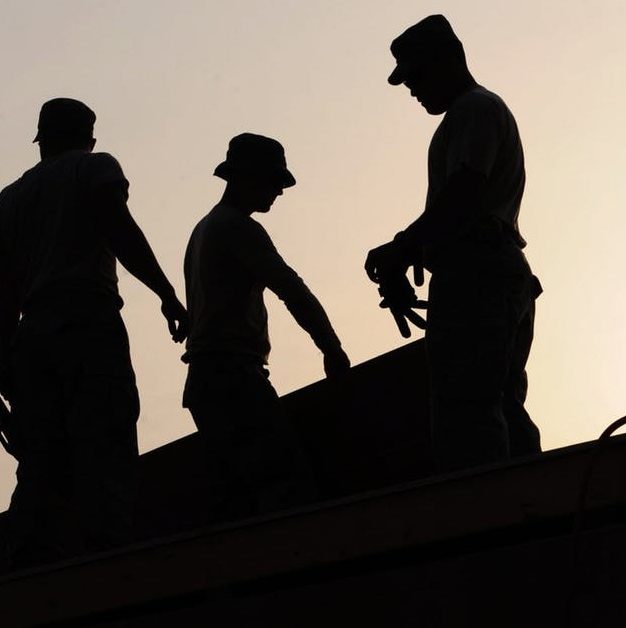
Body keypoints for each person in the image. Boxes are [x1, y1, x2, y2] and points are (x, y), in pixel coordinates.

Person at [0, 98, 188, 567]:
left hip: (31, 336)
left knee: (41, 460)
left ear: (41, 141)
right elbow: (120, 230)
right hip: (87, 322)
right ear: (89, 137)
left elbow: (2, 289)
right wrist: (166, 292)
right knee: (105, 439)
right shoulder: (94, 167)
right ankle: (112, 558)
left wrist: (5, 361)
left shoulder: (9, 200)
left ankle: (28, 567)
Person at [365, 15, 543, 471]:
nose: (412, 89)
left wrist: (403, 248)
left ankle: (490, 520)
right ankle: (532, 509)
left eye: (417, 76)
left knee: (468, 415)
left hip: (480, 277)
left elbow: (464, 192)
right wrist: (416, 254)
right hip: (491, 274)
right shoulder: (467, 117)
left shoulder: (474, 109)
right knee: (500, 407)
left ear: (449, 60)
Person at [182, 133, 349, 520]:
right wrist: (331, 346)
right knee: (285, 485)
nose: (279, 191)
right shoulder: (237, 228)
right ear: (246, 178)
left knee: (235, 499)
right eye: (273, 182)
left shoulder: (203, 229)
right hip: (232, 378)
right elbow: (290, 288)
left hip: (207, 381)